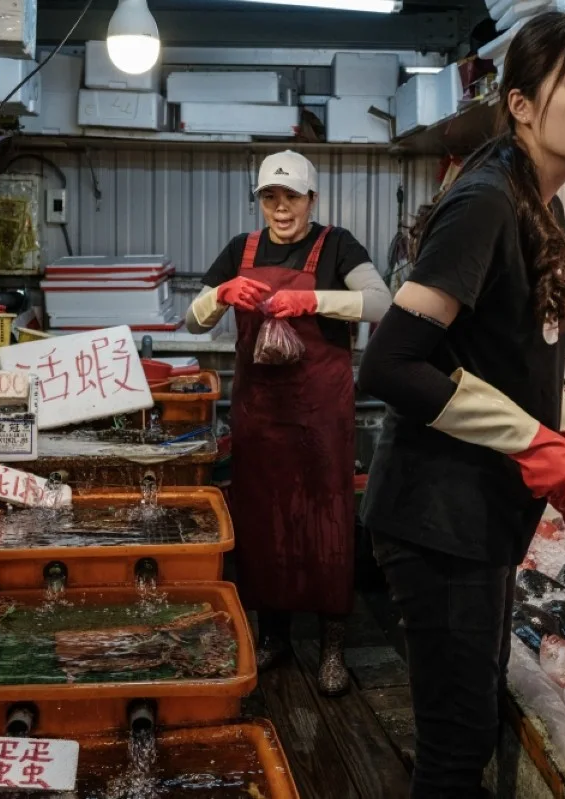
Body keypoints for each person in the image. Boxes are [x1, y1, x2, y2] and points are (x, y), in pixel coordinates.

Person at [357, 13, 565, 796]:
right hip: (438, 519)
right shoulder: (484, 202)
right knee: (456, 742)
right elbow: (393, 362)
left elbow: (499, 354)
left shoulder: (534, 203)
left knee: (468, 721)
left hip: (478, 516)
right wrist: (527, 440)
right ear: (520, 104)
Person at [186, 150, 392, 696]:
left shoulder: (338, 245)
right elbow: (191, 317)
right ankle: (273, 635)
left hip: (320, 416)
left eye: (292, 197)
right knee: (264, 523)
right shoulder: (240, 250)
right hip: (261, 416)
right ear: (260, 201)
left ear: (311, 199)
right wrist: (221, 293)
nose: (281, 208)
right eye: (270, 198)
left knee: (326, 523)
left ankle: (331, 647)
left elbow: (380, 302)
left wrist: (312, 300)